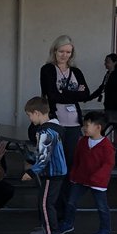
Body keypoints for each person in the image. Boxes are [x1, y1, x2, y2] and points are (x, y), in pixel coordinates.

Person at [59, 112, 115, 234]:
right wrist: (73, 173)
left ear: (98, 127)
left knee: (101, 206)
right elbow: (77, 159)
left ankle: (106, 229)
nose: (84, 128)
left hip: (98, 182)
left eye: (87, 125)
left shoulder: (107, 146)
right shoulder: (82, 142)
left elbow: (108, 164)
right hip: (80, 179)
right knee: (71, 201)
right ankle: (68, 223)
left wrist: (97, 177)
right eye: (84, 125)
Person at [22, 96, 67, 234]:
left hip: (51, 174)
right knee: (46, 202)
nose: (30, 119)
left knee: (46, 204)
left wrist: (31, 172)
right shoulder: (55, 128)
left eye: (29, 115)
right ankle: (46, 229)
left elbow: (43, 157)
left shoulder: (45, 132)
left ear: (36, 113)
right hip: (56, 172)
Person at [39, 35, 88, 169]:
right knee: (54, 158)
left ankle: (67, 188)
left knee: (70, 158)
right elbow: (52, 95)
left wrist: (64, 93)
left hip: (74, 122)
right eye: (61, 51)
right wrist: (75, 93)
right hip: (55, 120)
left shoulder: (76, 71)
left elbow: (85, 95)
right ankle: (53, 188)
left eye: (68, 52)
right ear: (54, 51)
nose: (64, 55)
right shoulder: (47, 69)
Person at [90, 54, 117, 121]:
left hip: (116, 106)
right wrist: (90, 97)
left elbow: (115, 90)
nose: (105, 64)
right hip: (108, 105)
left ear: (114, 63)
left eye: (107, 62)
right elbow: (102, 88)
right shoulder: (108, 74)